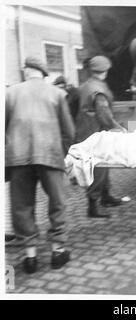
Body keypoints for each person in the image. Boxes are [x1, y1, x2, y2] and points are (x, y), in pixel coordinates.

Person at [5, 57, 75, 274]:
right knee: (57, 202)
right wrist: (61, 152)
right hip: (50, 154)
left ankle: (30, 257)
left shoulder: (10, 93)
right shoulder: (57, 94)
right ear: (43, 74)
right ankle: (57, 251)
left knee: (21, 205)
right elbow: (69, 131)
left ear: (27, 71)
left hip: (17, 157)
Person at [75, 55, 125, 218]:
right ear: (105, 71)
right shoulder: (99, 90)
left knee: (103, 165)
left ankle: (106, 197)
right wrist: (120, 129)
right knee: (99, 168)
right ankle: (93, 207)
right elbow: (104, 116)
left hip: (86, 132)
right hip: (96, 134)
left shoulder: (85, 86)